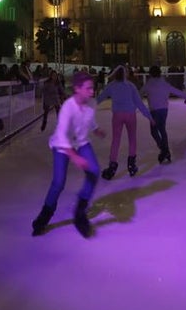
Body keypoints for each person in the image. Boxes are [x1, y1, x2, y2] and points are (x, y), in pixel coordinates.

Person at [31, 71, 106, 238]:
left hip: (81, 142)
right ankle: (43, 217)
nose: (92, 91)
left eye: (92, 88)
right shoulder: (67, 107)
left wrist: (96, 129)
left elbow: (90, 119)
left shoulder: (91, 103)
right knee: (58, 183)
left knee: (94, 172)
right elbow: (61, 136)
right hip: (62, 145)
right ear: (77, 89)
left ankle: (80, 213)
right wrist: (74, 156)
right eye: (88, 88)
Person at [96, 65, 154, 179]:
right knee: (132, 139)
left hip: (117, 115)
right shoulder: (131, 86)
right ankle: (131, 165)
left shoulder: (111, 86)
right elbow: (139, 103)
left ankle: (112, 165)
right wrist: (150, 117)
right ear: (125, 74)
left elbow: (100, 98)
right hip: (130, 115)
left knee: (115, 140)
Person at [141, 64, 186, 163]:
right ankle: (165, 150)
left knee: (154, 131)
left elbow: (139, 93)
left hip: (154, 111)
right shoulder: (164, 83)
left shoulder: (149, 84)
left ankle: (164, 149)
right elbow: (176, 91)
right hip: (164, 110)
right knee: (162, 130)